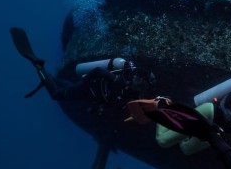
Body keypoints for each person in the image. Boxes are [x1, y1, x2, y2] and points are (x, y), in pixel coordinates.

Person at [10, 27, 155, 118]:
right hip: (88, 87)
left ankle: (49, 78)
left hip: (90, 92)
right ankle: (38, 65)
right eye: (141, 85)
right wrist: (88, 82)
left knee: (68, 87)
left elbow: (114, 98)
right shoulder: (120, 80)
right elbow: (98, 71)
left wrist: (99, 105)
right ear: (138, 79)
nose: (141, 89)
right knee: (56, 95)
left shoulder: (129, 87)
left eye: (144, 87)